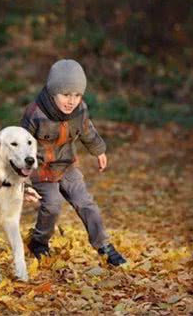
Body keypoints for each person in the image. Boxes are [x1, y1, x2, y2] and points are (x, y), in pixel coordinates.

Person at [19, 59, 126, 266]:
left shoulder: (79, 110)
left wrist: (99, 151)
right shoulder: (35, 114)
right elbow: (20, 147)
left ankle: (103, 245)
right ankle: (39, 242)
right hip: (41, 170)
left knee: (86, 203)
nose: (71, 101)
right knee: (53, 205)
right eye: (66, 95)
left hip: (67, 165)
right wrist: (23, 183)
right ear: (52, 93)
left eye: (77, 95)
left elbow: (87, 130)